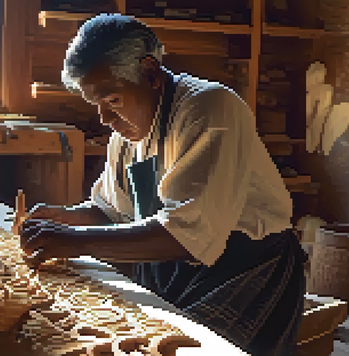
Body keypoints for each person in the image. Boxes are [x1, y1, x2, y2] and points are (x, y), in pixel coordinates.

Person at [18, 14, 307, 356]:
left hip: (245, 267)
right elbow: (112, 211)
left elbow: (186, 235)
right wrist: (63, 218)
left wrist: (73, 241)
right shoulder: (125, 133)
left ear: (150, 73)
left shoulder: (209, 108)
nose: (105, 119)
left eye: (112, 100)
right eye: (96, 105)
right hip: (170, 264)